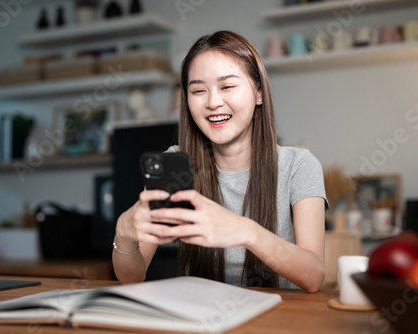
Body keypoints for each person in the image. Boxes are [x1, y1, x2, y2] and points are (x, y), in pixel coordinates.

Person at [113, 31, 328, 292]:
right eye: (198, 90)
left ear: (259, 92)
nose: (213, 102)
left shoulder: (299, 166)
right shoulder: (175, 165)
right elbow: (131, 278)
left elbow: (314, 275)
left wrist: (245, 231)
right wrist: (123, 236)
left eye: (227, 86)